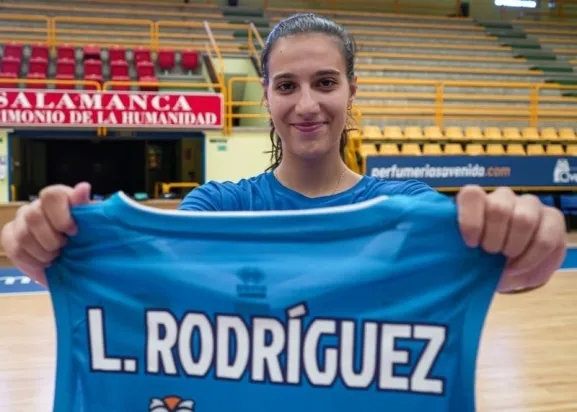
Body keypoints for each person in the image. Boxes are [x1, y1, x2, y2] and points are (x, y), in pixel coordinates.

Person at [0, 13, 567, 294]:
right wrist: (56, 255)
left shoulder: (408, 206)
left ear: (351, 91)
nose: (307, 104)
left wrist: (529, 252)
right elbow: (150, 282)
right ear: (266, 94)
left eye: (326, 82)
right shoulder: (219, 207)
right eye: (287, 85)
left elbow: (490, 276)